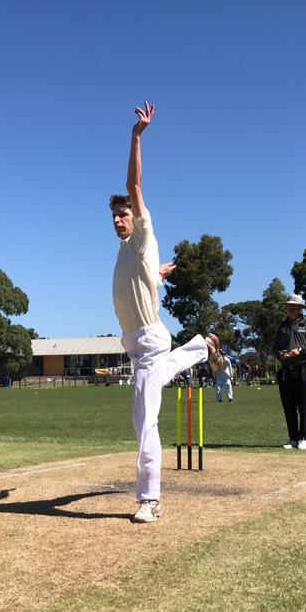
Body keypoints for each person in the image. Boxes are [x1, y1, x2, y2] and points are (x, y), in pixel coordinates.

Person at [110, 101, 219, 524]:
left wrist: (136, 136)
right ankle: (201, 347)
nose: (121, 220)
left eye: (125, 214)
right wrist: (157, 273)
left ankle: (149, 498)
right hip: (141, 346)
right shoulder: (128, 252)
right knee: (161, 377)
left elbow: (133, 185)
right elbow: (141, 282)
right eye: (116, 216)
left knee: (144, 422)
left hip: (149, 343)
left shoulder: (142, 233)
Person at [273, 294, 306, 450]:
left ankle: (305, 438)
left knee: (304, 405)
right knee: (288, 405)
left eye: (293, 305)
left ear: (300, 308)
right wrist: (280, 353)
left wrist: (299, 350)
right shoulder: (283, 326)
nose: (290, 308)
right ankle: (293, 438)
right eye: (288, 305)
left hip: (303, 367)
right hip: (286, 370)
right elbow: (275, 347)